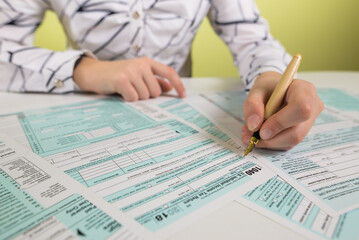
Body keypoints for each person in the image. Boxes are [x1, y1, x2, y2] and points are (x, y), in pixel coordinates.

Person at [0, 0, 323, 150]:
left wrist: (269, 76)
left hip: (174, 112)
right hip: (78, 112)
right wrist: (83, 70)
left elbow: (252, 38)